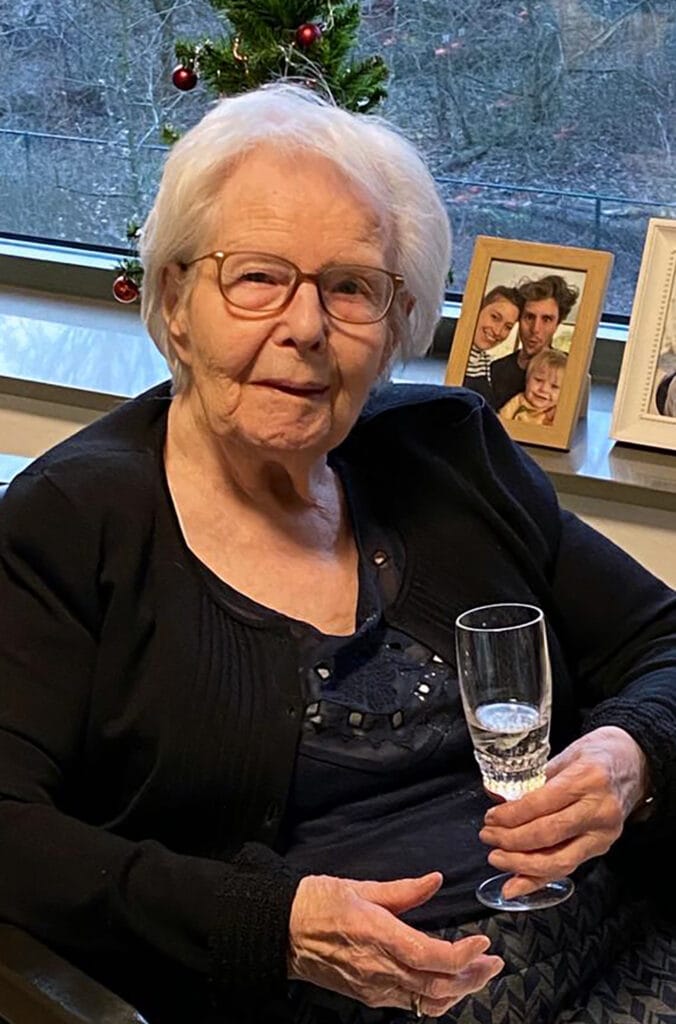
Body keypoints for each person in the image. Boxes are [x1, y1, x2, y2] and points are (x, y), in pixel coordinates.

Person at [0, 84, 675, 1024]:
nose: (307, 327)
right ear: (176, 301)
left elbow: (662, 643)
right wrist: (270, 924)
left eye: (352, 287)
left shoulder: (448, 454)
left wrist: (630, 753)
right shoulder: (73, 523)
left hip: (626, 934)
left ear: (397, 324)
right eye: (257, 277)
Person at [491, 275, 579, 411]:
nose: (535, 329)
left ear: (557, 324)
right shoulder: (497, 370)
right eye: (529, 317)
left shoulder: (571, 370)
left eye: (546, 319)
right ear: (519, 319)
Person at [461, 286, 522, 406]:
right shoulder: (450, 351)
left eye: (508, 327)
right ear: (478, 309)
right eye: (495, 317)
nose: (498, 331)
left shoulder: (487, 364)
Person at [498, 348, 567, 427]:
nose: (544, 389)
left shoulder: (559, 412)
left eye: (554, 386)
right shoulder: (517, 402)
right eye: (538, 380)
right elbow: (498, 424)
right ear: (527, 380)